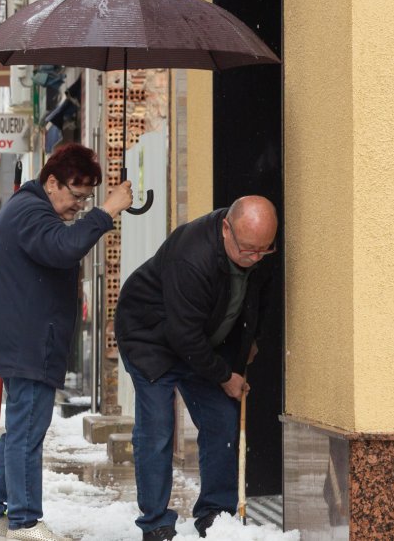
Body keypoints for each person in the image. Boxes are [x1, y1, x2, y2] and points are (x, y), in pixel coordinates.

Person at [0, 143, 133, 541]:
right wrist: (106, 210)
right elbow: (64, 248)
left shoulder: (30, 208)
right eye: (76, 195)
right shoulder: (31, 212)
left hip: (26, 342)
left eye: (86, 198)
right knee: (26, 434)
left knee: (22, 431)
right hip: (27, 344)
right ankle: (24, 522)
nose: (79, 205)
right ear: (52, 182)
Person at [114, 196, 278, 541]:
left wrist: (251, 342)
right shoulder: (191, 256)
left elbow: (258, 300)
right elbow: (183, 335)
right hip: (151, 338)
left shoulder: (258, 250)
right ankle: (156, 523)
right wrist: (225, 376)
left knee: (222, 421)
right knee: (158, 428)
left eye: (263, 250)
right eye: (248, 250)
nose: (255, 258)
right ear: (226, 229)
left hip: (202, 342)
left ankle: (215, 514)